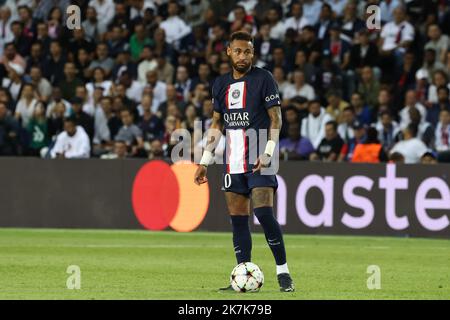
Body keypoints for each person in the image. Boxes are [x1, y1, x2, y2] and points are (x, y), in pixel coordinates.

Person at [194, 31, 294, 292]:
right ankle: (243, 275)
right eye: (238, 51)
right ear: (229, 51)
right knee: (238, 221)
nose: (243, 56)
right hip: (232, 161)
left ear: (253, 53)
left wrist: (269, 152)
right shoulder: (220, 84)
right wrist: (205, 161)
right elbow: (216, 124)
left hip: (262, 156)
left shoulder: (264, 79)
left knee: (263, 213)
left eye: (248, 51)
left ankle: (283, 273)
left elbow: (276, 120)